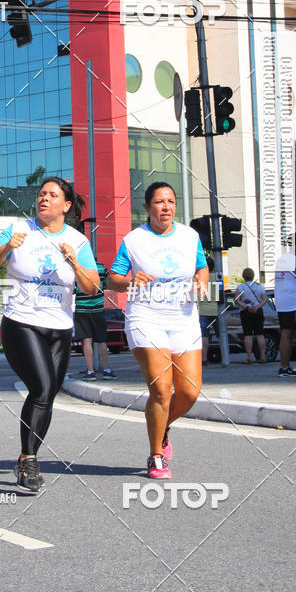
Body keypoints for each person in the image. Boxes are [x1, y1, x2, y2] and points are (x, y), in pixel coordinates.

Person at [0, 176, 99, 493]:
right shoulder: (19, 230)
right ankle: (29, 460)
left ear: (66, 205)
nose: (44, 198)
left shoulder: (77, 241)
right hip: (21, 322)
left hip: (60, 327)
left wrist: (74, 262)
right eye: (42, 194)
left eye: (52, 195)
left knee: (45, 395)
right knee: (42, 387)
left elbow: (91, 287)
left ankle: (24, 457)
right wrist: (5, 248)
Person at [107, 182, 208, 480]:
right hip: (146, 317)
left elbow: (201, 267)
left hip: (183, 318)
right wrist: (130, 280)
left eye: (171, 201)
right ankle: (156, 456)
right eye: (160, 202)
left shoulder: (190, 236)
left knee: (189, 392)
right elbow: (113, 279)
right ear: (147, 207)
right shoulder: (133, 240)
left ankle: (162, 426)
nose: (166, 207)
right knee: (162, 389)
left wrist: (202, 281)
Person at [74, 262, 116, 381]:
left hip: (82, 309)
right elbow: (108, 284)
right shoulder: (101, 268)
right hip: (98, 308)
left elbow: (73, 288)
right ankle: (106, 370)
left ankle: (90, 371)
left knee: (87, 340)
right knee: (101, 340)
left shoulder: (77, 268)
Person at [274, 232, 296, 377]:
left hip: (281, 301)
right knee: (287, 334)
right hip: (291, 303)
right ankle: (284, 367)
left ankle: (285, 367)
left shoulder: (281, 260)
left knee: (286, 334)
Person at [234, 267, 267, 364]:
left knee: (248, 335)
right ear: (253, 276)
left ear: (243, 276)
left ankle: (249, 357)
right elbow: (264, 299)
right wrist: (257, 307)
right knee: (260, 334)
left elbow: (236, 300)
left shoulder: (241, 287)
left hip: (246, 312)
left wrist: (246, 307)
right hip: (258, 311)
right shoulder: (259, 287)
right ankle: (263, 356)